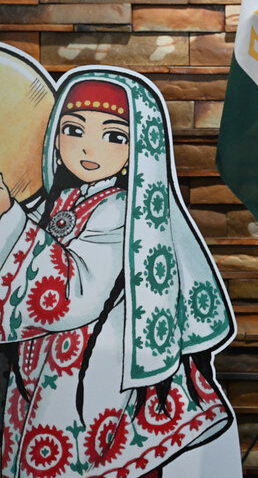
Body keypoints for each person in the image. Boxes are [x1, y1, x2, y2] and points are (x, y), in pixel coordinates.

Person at [0, 69, 234, 478]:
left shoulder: (123, 212)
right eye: (74, 130)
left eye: (114, 136)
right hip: (47, 365)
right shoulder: (64, 199)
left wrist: (10, 218)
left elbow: (75, 293)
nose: (88, 147)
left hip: (94, 371)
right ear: (55, 137)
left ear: (138, 146)